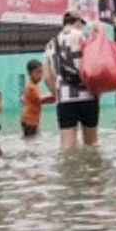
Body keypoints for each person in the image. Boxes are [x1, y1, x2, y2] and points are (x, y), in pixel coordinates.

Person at [43, 12, 99, 147]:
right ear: (78, 22)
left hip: (65, 98)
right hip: (88, 96)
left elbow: (47, 77)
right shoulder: (85, 37)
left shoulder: (51, 44)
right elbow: (96, 67)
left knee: (67, 147)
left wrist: (57, 96)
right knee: (92, 144)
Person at [21, 59, 55, 137]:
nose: (40, 75)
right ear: (30, 73)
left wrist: (52, 98)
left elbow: (27, 99)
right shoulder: (31, 87)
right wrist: (54, 97)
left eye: (41, 72)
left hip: (30, 120)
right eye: (37, 72)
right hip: (30, 121)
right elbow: (40, 100)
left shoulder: (33, 86)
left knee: (32, 139)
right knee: (31, 140)